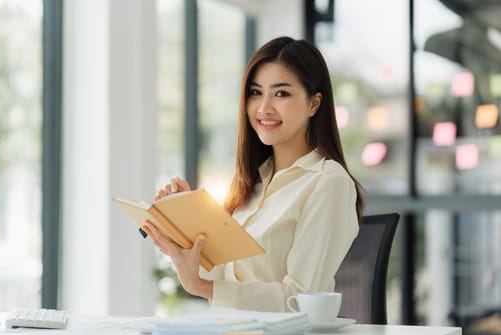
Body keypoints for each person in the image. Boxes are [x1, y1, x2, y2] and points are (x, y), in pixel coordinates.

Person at [141, 36, 364, 312]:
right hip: (229, 334)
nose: (264, 108)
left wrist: (201, 287)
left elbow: (302, 299)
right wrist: (185, 231)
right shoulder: (252, 183)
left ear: (313, 104)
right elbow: (228, 279)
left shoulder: (328, 182)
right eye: (256, 92)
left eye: (281, 94)